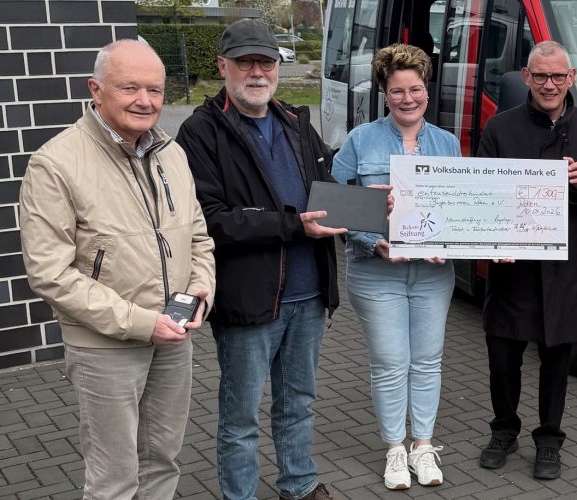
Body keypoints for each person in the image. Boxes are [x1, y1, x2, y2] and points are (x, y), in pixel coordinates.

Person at [19, 39, 216, 499]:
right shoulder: (55, 163)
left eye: (155, 89)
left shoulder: (171, 152)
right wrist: (142, 322)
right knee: (114, 478)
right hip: (106, 348)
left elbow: (199, 235)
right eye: (129, 87)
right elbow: (50, 272)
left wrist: (201, 289)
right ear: (96, 89)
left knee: (163, 461)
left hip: (174, 336)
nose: (145, 101)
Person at [175, 20, 355, 500]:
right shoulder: (201, 132)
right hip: (249, 300)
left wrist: (367, 201)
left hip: (310, 293)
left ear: (278, 67)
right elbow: (212, 220)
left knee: (298, 401)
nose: (257, 72)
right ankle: (239, 495)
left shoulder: (297, 122)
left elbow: (328, 190)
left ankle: (298, 483)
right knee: (240, 416)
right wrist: (293, 224)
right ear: (223, 67)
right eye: (245, 62)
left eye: (266, 62)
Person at [476, 40, 577, 480]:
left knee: (557, 358)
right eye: (540, 76)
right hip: (512, 269)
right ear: (526, 77)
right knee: (503, 356)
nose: (549, 84)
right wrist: (491, 245)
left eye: (558, 76)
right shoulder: (499, 128)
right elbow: (481, 193)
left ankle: (550, 439)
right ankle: (503, 430)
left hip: (565, 268)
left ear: (571, 78)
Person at [330, 43, 460, 491]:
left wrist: (454, 243)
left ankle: (423, 446)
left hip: (432, 273)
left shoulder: (447, 143)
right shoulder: (360, 140)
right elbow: (336, 204)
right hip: (375, 270)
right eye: (398, 90)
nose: (409, 99)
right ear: (385, 93)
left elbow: (459, 208)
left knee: (427, 361)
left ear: (427, 90)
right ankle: (394, 449)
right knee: (389, 362)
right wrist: (374, 241)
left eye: (417, 89)